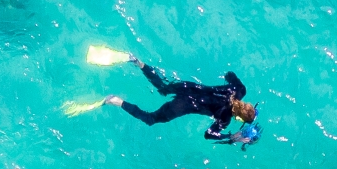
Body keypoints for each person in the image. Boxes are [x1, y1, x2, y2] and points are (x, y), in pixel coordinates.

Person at [103, 58, 261, 148]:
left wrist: (226, 78)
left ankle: (139, 63)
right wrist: (231, 137)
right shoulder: (225, 117)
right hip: (183, 105)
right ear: (238, 117)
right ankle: (117, 101)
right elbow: (208, 135)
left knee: (162, 87)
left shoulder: (240, 89)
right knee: (151, 119)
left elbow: (230, 74)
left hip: (189, 87)